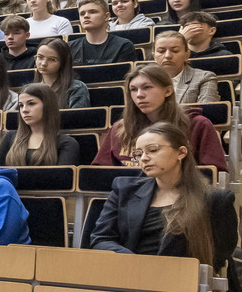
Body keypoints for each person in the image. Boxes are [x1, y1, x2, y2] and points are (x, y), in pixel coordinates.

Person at [88, 121, 237, 273]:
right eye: (138, 153)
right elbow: (101, 239)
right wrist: (137, 264)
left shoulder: (216, 200)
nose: (144, 158)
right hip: (129, 275)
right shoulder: (123, 189)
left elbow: (218, 258)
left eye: (153, 150)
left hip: (183, 281)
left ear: (181, 152)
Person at [95, 64, 227, 169]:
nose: (139, 94)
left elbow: (213, 176)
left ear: (168, 91)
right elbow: (100, 174)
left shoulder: (198, 125)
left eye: (147, 87)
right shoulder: (120, 128)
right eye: (133, 89)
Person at [0, 84, 81, 167]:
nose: (24, 110)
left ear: (47, 106)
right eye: (21, 105)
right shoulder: (10, 137)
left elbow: (63, 176)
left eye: (31, 103)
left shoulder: (67, 143)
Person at [152, 32, 220, 104]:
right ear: (154, 56)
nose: (167, 55)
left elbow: (206, 110)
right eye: (161, 51)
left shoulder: (204, 78)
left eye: (175, 51)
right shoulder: (145, 80)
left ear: (187, 55)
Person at [33, 37, 89, 109]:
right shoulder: (31, 90)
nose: (44, 63)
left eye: (52, 59)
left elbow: (77, 115)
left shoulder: (76, 88)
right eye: (40, 57)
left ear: (63, 62)